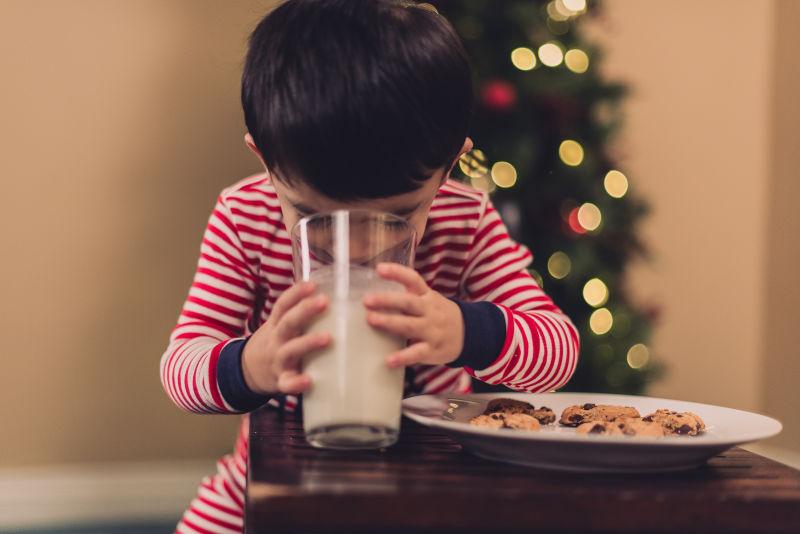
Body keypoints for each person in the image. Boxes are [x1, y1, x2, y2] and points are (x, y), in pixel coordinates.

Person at [160, 1, 579, 532]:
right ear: (266, 159)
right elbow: (180, 366)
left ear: (450, 164)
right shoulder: (244, 216)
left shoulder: (465, 220)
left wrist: (467, 331)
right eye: (314, 215)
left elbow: (557, 349)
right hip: (273, 480)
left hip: (434, 484)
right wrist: (250, 365)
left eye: (397, 215)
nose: (356, 251)